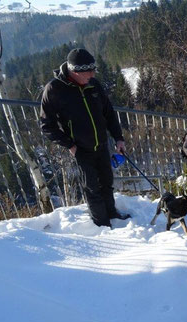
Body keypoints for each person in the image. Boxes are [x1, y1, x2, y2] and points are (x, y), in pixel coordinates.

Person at [40, 48, 130, 228]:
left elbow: (109, 113)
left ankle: (111, 213)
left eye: (93, 69)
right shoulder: (54, 90)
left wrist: (118, 138)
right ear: (75, 71)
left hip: (102, 144)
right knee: (92, 188)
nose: (93, 73)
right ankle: (102, 224)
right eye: (88, 71)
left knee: (107, 182)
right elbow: (46, 125)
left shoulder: (93, 85)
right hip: (81, 148)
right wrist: (70, 145)